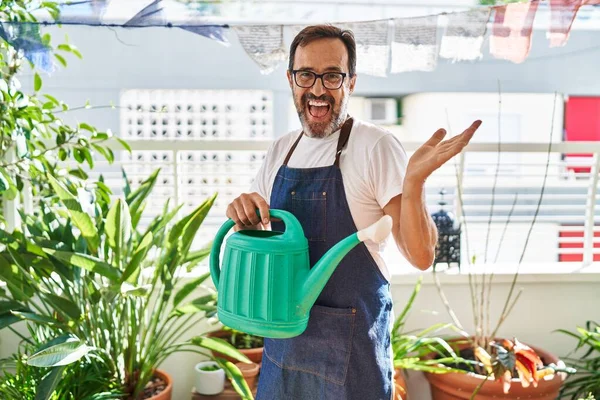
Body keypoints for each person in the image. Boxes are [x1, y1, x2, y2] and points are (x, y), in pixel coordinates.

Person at [225, 25, 481, 400]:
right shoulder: (280, 151)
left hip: (353, 358)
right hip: (284, 352)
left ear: (351, 82)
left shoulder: (375, 146)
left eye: (332, 76)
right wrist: (243, 213)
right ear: (291, 80)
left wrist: (414, 185)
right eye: (306, 75)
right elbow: (262, 241)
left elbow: (421, 255)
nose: (317, 89)